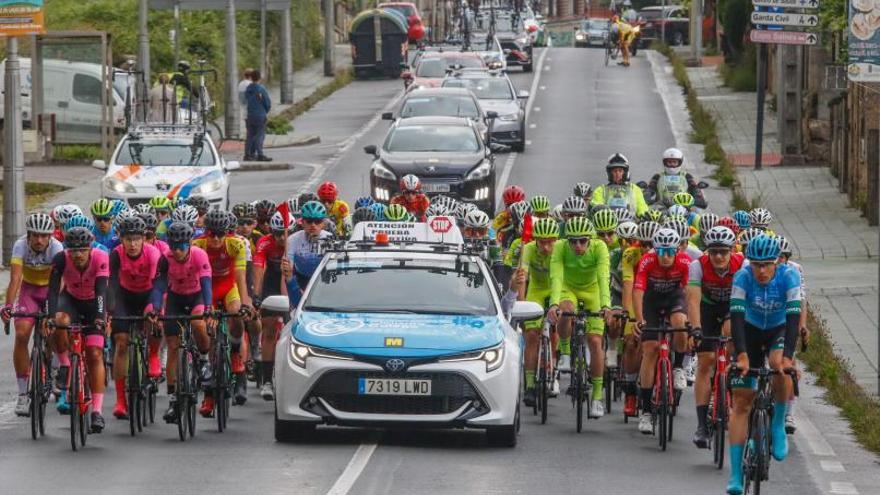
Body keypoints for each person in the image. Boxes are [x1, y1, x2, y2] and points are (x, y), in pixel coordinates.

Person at [726, 235, 801, 495]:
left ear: (777, 262)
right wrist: (743, 355)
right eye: (756, 264)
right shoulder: (742, 277)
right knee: (741, 402)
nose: (761, 270)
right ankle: (736, 475)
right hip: (750, 329)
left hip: (778, 329)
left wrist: (789, 357)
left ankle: (778, 422)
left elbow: (793, 321)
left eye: (767, 264)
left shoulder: (790, 276)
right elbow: (736, 318)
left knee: (779, 364)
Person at [546, 216, 613, 419]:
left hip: (593, 291)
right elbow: (556, 276)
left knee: (595, 341)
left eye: (582, 240)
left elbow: (603, 277)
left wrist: (605, 306)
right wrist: (554, 304)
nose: (577, 245)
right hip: (569, 288)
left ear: (590, 240)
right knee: (566, 310)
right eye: (573, 241)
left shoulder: (600, 247)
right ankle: (565, 353)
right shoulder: (559, 247)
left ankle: (597, 397)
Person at [47, 227, 110, 432]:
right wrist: (49, 317)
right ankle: (65, 365)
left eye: (82, 250)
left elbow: (101, 292)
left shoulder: (101, 257)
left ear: (90, 248)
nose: (78, 255)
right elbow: (53, 291)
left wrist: (100, 318)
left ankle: (97, 412)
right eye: (73, 251)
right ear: (68, 250)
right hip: (71, 300)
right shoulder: (60, 259)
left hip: (94, 304)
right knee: (59, 321)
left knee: (94, 353)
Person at [1, 213, 64, 416]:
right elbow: (15, 279)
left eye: (44, 236)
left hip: (51, 291)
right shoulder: (20, 246)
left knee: (55, 330)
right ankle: (22, 394)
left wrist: (51, 312)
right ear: (28, 235)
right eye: (35, 235)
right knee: (21, 334)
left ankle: (54, 371)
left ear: (50, 236)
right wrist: (8, 306)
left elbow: (60, 283)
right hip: (29, 292)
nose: (39, 240)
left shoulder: (57, 248)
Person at [191, 210, 253, 416]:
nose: (216, 238)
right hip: (205, 289)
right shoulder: (197, 245)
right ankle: (209, 396)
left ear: (227, 233)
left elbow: (241, 277)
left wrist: (245, 304)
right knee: (209, 336)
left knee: (235, 313)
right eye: (212, 234)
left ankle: (236, 353)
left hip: (228, 287)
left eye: (220, 234)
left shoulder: (236, 244)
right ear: (205, 232)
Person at [686, 225, 742, 448]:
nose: (718, 256)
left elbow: (744, 300)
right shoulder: (697, 266)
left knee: (730, 335)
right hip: (707, 309)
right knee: (705, 363)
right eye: (714, 251)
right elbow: (692, 301)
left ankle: (727, 379)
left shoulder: (742, 265)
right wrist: (696, 329)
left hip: (731, 307)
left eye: (723, 252)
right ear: (707, 251)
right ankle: (701, 425)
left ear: (732, 250)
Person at [108, 216, 167, 420]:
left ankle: (152, 354)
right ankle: (120, 400)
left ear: (144, 238)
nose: (132, 244)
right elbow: (112, 285)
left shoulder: (153, 253)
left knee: (156, 321)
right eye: (127, 239)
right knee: (121, 342)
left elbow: (157, 284)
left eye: (136, 239)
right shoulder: (115, 254)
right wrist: (111, 309)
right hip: (125, 297)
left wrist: (154, 311)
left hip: (148, 294)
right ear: (121, 239)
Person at [633, 227, 691, 434]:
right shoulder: (647, 261)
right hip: (652, 301)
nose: (665, 257)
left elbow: (689, 293)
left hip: (675, 298)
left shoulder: (685, 262)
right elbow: (638, 291)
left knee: (680, 322)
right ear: (654, 251)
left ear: (677, 250)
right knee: (650, 349)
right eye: (661, 252)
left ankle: (677, 367)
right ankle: (646, 412)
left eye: (670, 252)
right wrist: (640, 319)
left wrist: (692, 321)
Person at [160, 222, 214, 424]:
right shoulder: (165, 258)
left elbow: (207, 282)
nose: (177, 251)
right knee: (173, 347)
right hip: (176, 298)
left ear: (189, 244)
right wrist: (156, 310)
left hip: (197, 297)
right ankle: (174, 398)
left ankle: (203, 359)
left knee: (199, 323)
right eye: (173, 247)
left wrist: (208, 307)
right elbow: (158, 286)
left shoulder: (199, 255)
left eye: (182, 247)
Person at [519, 218, 561, 406]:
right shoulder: (528, 249)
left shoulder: (561, 249)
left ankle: (553, 370)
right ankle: (529, 385)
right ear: (535, 240)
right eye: (542, 242)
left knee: (554, 331)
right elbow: (522, 278)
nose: (546, 247)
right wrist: (520, 304)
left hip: (555, 289)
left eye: (550, 241)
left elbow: (563, 278)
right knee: (531, 335)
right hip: (535, 290)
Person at [253, 212, 288, 400]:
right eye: (277, 234)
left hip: (291, 281)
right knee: (269, 329)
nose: (281, 238)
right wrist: (256, 296)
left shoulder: (297, 240)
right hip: (270, 283)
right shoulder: (265, 243)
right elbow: (258, 270)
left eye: (284, 233)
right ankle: (267, 381)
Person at [591, 153, 649, 218]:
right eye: (615, 171)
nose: (617, 174)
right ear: (610, 173)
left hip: (630, 223)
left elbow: (642, 208)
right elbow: (596, 206)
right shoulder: (601, 190)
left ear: (625, 173)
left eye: (620, 171)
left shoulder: (635, 189)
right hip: (608, 223)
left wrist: (644, 216)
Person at [245, 70, 272, 162]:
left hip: (250, 114)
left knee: (250, 135)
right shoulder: (261, 89)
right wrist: (265, 111)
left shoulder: (248, 89)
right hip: (260, 114)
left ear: (251, 78)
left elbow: (246, 100)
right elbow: (267, 103)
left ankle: (248, 154)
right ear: (260, 78)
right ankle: (260, 154)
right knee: (259, 135)